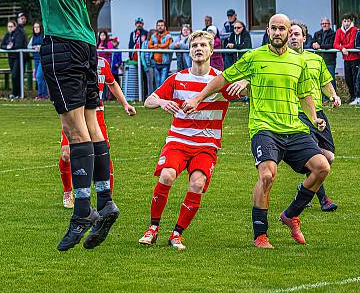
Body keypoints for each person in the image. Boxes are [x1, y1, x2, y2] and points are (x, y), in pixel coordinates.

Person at [38, 0, 123, 251]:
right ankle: (105, 202)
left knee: (74, 131)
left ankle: (82, 210)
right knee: (91, 126)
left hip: (62, 43)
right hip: (87, 44)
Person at [182, 14, 329, 249]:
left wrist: (314, 118)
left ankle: (291, 215)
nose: (278, 32)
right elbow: (223, 78)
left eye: (283, 29)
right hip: (264, 128)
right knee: (267, 175)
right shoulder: (254, 57)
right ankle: (260, 234)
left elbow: (304, 94)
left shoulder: (298, 61)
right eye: (274, 28)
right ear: (268, 31)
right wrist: (198, 98)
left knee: (322, 167)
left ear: (289, 31)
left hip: (294, 127)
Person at [139, 30, 246, 250]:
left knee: (197, 184)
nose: (198, 48)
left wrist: (245, 82)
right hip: (178, 141)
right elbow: (149, 100)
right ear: (189, 51)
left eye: (203, 45)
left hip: (206, 146)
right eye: (194, 45)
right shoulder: (178, 78)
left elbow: (247, 91)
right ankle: (152, 228)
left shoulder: (219, 80)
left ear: (211, 50)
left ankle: (176, 234)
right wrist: (161, 103)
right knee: (167, 176)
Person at [58, 56, 136, 208]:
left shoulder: (102, 63)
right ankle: (68, 191)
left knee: (103, 154)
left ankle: (108, 196)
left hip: (96, 114)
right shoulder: (73, 60)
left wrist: (125, 104)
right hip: (75, 112)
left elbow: (112, 83)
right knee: (66, 154)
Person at [288, 21, 341, 211]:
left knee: (329, 156)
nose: (293, 37)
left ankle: (305, 188)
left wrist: (333, 95)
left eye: (297, 34)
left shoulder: (315, 60)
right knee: (316, 155)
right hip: (297, 114)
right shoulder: (284, 61)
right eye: (290, 34)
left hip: (317, 113)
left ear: (304, 38)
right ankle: (324, 199)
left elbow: (325, 82)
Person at [333, 14, 358, 104]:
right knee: (348, 79)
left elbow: (352, 44)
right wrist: (342, 49)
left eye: (348, 21)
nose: (346, 23)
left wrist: (342, 47)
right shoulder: (339, 31)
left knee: (356, 79)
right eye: (344, 21)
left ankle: (357, 97)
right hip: (346, 59)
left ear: (351, 22)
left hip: (355, 58)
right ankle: (352, 96)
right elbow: (335, 44)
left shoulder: (354, 30)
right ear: (342, 22)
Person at [1, 19, 26, 99]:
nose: (10, 28)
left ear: (15, 27)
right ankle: (15, 93)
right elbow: (2, 45)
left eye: (11, 26)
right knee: (14, 75)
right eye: (8, 26)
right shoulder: (7, 34)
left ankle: (18, 93)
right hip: (11, 57)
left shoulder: (19, 34)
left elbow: (18, 45)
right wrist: (8, 47)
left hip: (19, 57)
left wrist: (10, 47)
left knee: (16, 75)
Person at [311, 17, 336, 86]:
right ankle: (322, 96)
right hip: (319, 60)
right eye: (322, 24)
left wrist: (320, 46)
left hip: (330, 61)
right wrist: (313, 45)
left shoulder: (333, 34)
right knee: (320, 80)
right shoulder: (317, 33)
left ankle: (332, 96)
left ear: (329, 24)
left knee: (331, 80)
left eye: (326, 23)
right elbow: (312, 43)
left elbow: (332, 45)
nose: (324, 25)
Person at [148, 20, 173, 86]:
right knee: (157, 83)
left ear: (164, 27)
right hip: (155, 63)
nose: (160, 27)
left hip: (165, 63)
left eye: (161, 25)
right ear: (156, 27)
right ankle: (158, 96)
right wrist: (155, 46)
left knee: (162, 83)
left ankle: (163, 96)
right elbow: (149, 46)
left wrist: (157, 46)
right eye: (158, 25)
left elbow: (167, 46)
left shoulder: (168, 36)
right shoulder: (153, 36)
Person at [30, 22, 48, 100]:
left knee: (39, 76)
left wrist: (40, 47)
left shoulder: (44, 37)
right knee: (41, 78)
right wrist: (34, 48)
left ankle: (41, 94)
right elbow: (28, 47)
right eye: (35, 27)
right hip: (36, 60)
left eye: (37, 27)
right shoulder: (32, 38)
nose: (36, 29)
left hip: (42, 59)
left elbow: (47, 46)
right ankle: (44, 95)